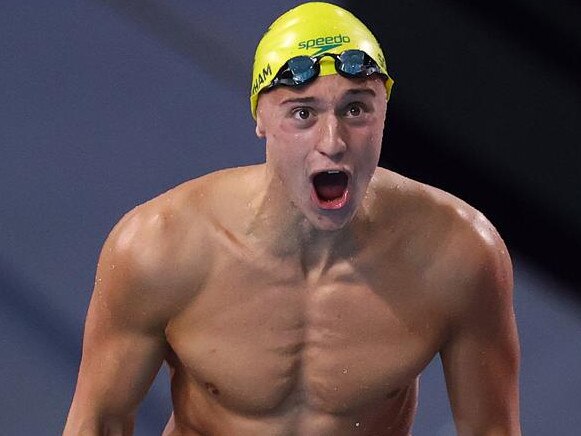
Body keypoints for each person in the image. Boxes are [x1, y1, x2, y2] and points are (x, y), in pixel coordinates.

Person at [64, 2, 520, 435]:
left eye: (356, 109)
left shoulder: (458, 254)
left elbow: (490, 430)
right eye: (303, 113)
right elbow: (98, 424)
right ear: (260, 116)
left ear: (384, 112)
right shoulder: (160, 247)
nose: (333, 141)